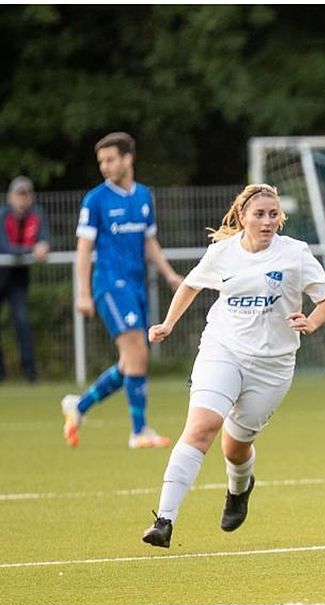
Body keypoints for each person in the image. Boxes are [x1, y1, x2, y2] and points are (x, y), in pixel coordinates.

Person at [140, 183, 325, 548]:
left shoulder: (295, 254)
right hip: (223, 350)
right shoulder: (223, 253)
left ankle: (239, 488)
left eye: (273, 214)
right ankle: (164, 520)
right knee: (201, 428)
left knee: (235, 447)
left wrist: (311, 321)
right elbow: (191, 285)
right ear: (242, 216)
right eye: (259, 214)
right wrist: (168, 323)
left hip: (273, 366)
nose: (267, 221)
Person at [61, 132, 183, 449]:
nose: (104, 166)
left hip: (136, 286)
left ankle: (79, 406)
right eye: (101, 161)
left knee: (131, 362)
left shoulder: (143, 196)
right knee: (137, 353)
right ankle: (139, 431)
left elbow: (149, 241)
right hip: (110, 286)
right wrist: (83, 293)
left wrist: (170, 275)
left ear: (128, 158)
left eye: (110, 159)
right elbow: (84, 249)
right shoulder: (96, 200)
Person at [0, 176, 49, 383]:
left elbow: (44, 242)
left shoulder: (37, 215)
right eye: (18, 195)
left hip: (18, 280)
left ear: (31, 197)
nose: (22, 200)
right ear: (10, 197)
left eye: (26, 195)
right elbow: (5, 248)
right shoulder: (2, 215)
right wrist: (31, 250)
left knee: (22, 322)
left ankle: (30, 375)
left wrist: (43, 246)